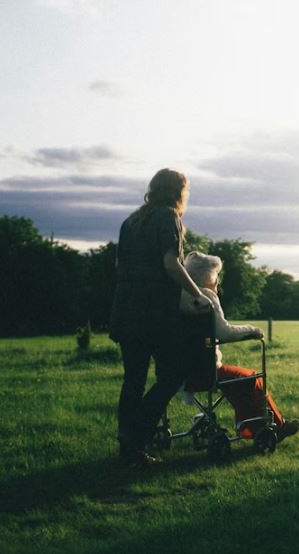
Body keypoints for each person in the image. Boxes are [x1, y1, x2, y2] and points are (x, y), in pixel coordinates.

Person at [109, 168, 211, 466]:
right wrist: (197, 294)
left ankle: (128, 446)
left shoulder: (131, 221)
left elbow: (120, 265)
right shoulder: (168, 218)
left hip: (125, 308)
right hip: (153, 312)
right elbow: (171, 263)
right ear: (177, 192)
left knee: (134, 380)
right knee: (172, 375)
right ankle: (136, 437)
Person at [180, 251, 299, 442]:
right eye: (216, 275)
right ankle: (274, 425)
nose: (218, 280)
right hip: (205, 370)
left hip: (180, 370)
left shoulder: (179, 297)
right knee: (251, 378)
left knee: (237, 380)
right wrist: (252, 330)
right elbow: (224, 332)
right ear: (206, 276)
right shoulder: (206, 297)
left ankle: (250, 426)